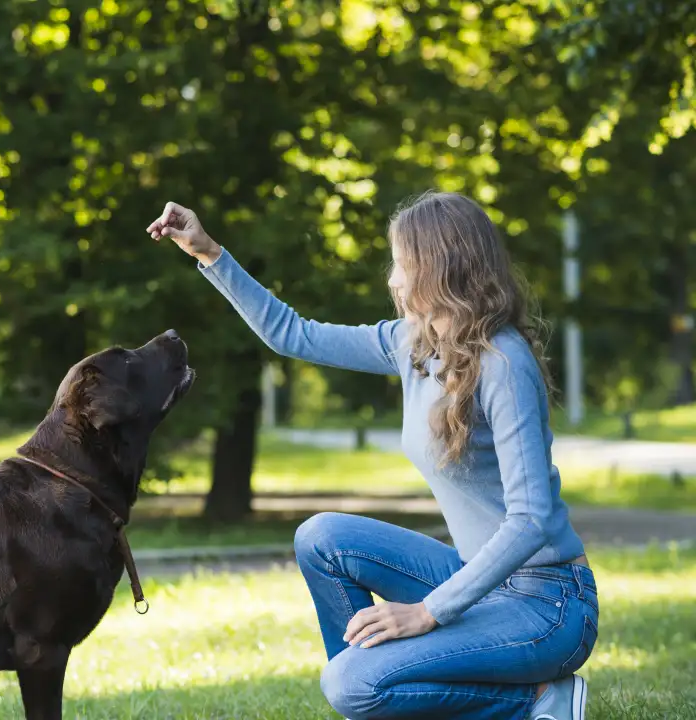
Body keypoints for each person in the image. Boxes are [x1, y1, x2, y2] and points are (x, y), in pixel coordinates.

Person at [148, 192, 596, 720]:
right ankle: (379, 697)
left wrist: (428, 613)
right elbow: (295, 334)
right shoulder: (414, 345)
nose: (393, 280)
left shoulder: (504, 364)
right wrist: (209, 253)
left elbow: (531, 521)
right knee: (322, 538)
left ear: (439, 267)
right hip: (477, 576)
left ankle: (543, 699)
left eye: (403, 264)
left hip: (547, 604)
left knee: (350, 684)